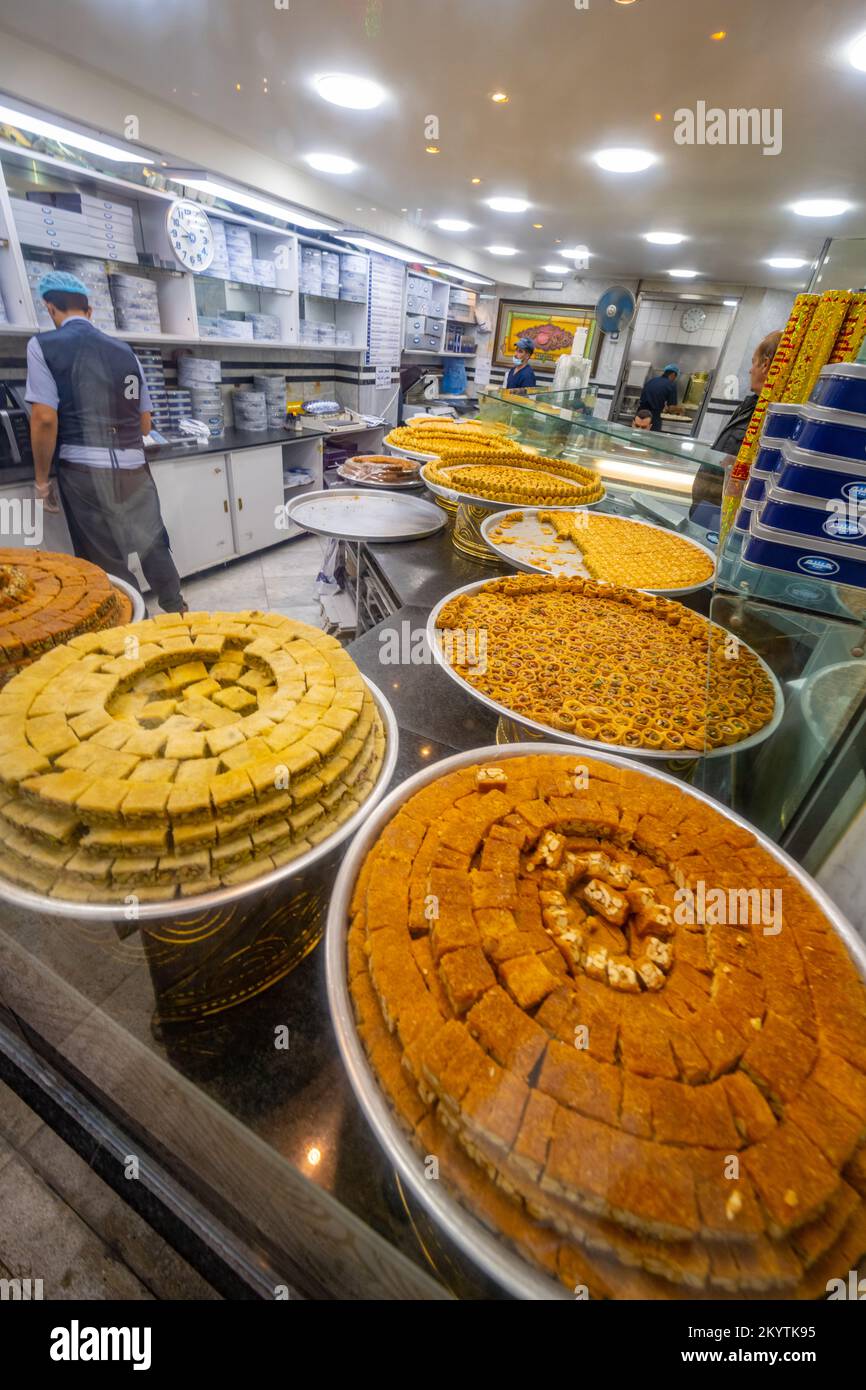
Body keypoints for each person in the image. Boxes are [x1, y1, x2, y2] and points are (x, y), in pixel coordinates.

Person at [27, 271, 186, 614]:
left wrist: (41, 481)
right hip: (134, 469)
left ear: (50, 308)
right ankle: (179, 614)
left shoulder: (42, 347)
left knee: (106, 556)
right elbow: (145, 423)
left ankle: (134, 630)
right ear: (90, 310)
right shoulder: (125, 352)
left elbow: (43, 419)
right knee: (153, 543)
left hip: (84, 473)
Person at [691, 329, 784, 515]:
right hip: (708, 502)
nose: (750, 370)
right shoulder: (751, 405)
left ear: (765, 365)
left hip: (723, 510)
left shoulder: (773, 416)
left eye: (753, 363)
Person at [638, 364, 680, 431]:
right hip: (653, 417)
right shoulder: (671, 384)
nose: (674, 379)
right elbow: (671, 408)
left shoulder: (652, 380)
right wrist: (680, 410)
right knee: (651, 439)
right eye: (675, 377)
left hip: (639, 415)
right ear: (673, 374)